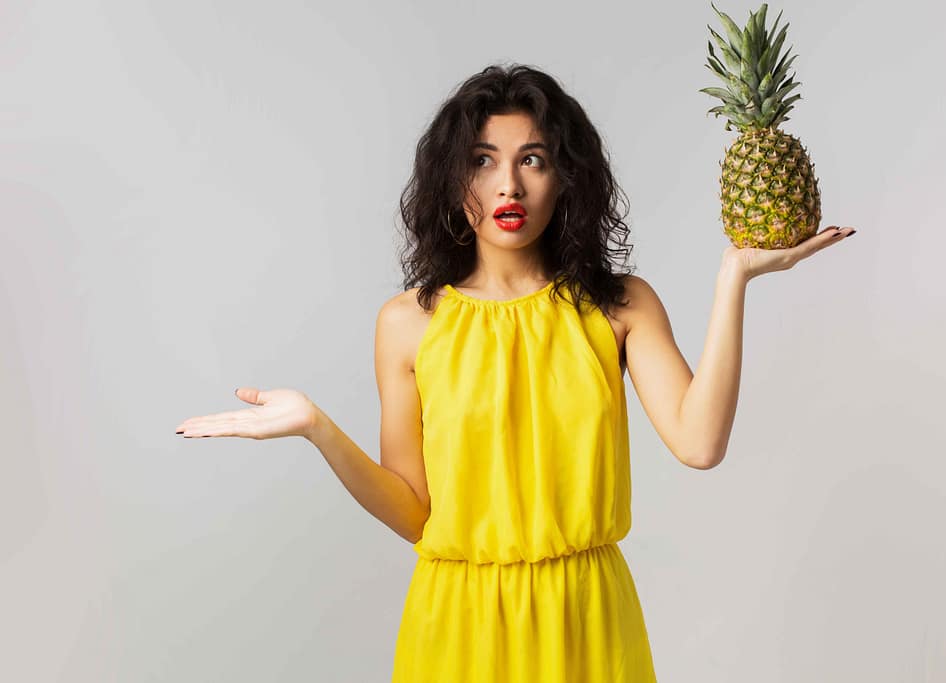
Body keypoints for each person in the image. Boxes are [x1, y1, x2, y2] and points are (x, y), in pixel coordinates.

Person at [175, 63, 855, 681]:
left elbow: (699, 442)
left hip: (588, 622)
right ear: (452, 179)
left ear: (566, 176)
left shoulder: (618, 305)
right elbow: (415, 514)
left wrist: (733, 279)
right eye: (482, 161)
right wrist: (319, 429)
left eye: (533, 159)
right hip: (458, 629)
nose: (508, 184)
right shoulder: (407, 322)